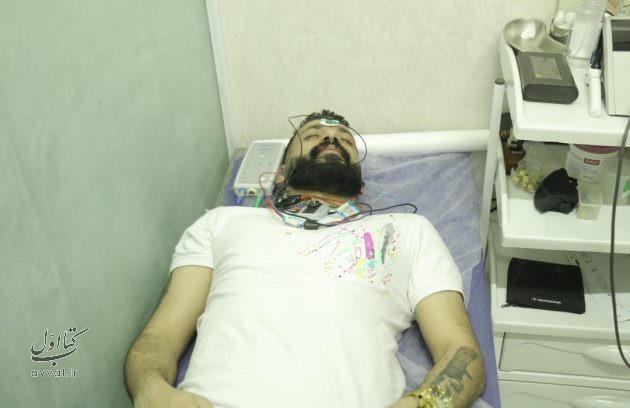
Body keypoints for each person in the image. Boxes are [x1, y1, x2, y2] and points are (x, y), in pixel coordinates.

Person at [124, 109, 485, 408]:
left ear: (360, 183)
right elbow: (161, 335)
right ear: (280, 172)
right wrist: (151, 389)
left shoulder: (406, 230)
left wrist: (425, 403)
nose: (331, 138)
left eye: (345, 141)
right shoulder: (222, 223)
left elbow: (459, 349)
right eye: (313, 135)